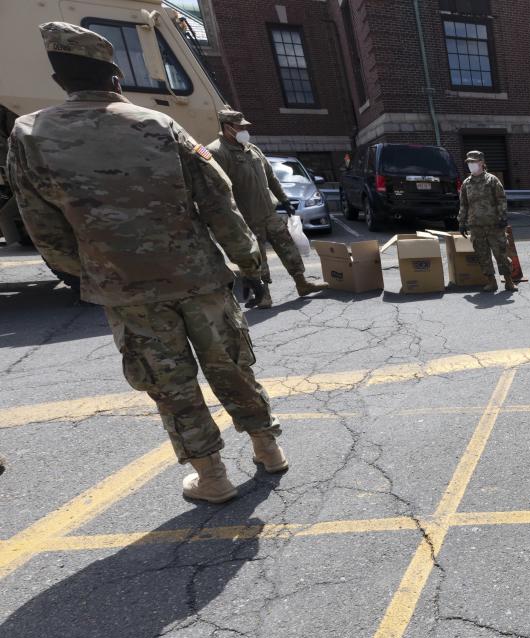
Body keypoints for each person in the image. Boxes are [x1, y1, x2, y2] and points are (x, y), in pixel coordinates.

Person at [7, 22, 289, 504]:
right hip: (198, 275)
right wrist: (247, 260)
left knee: (170, 383)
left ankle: (213, 478)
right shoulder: (158, 125)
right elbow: (216, 198)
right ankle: (267, 449)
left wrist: (88, 270)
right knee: (231, 364)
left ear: (61, 81)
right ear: (115, 78)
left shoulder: (30, 133)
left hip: (124, 288)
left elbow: (38, 222)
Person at [206, 108, 328, 307]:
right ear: (227, 128)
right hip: (246, 217)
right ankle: (264, 295)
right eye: (240, 127)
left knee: (288, 247)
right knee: (257, 258)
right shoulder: (216, 152)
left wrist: (284, 199)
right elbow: (219, 189)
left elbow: (271, 177)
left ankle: (302, 283)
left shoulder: (251, 149)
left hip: (269, 213)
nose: (244, 130)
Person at [458, 150, 515, 292]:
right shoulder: (466, 183)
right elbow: (464, 204)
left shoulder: (492, 180)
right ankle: (491, 282)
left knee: (501, 254)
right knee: (482, 255)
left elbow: (501, 199)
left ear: (482, 163)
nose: (471, 165)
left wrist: (502, 217)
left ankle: (509, 281)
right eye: (469, 162)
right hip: (476, 226)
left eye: (474, 162)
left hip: (494, 225)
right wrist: (461, 221)